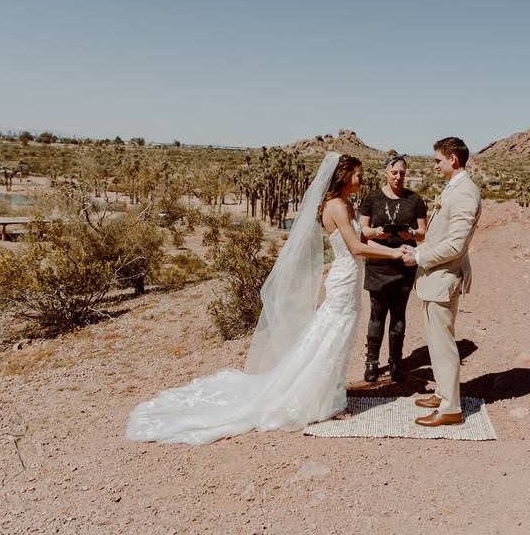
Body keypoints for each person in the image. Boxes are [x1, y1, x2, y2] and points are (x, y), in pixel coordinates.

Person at [125, 153, 404, 444]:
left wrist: (386, 245)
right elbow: (356, 249)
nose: (361, 179)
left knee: (337, 337)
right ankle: (327, 403)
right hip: (345, 281)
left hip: (347, 276)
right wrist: (395, 253)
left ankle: (330, 394)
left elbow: (358, 244)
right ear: (345, 176)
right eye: (358, 174)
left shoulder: (345, 204)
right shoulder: (336, 206)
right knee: (334, 337)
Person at [400, 137, 482, 427]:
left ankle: (450, 408)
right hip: (435, 277)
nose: (434, 165)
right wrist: (418, 243)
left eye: (438, 160)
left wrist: (420, 257)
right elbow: (444, 235)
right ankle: (443, 393)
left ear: (453, 160)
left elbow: (456, 245)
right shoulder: (454, 189)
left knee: (444, 344)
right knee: (435, 340)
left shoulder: (464, 194)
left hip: (443, 277)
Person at [358, 153, 428, 382]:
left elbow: (424, 233)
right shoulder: (371, 199)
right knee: (376, 314)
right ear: (385, 173)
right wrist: (376, 232)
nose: (398, 177)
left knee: (399, 314)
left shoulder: (415, 200)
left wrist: (412, 234)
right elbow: (362, 232)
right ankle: (372, 363)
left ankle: (396, 362)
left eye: (402, 173)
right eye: (394, 172)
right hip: (378, 263)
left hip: (404, 264)